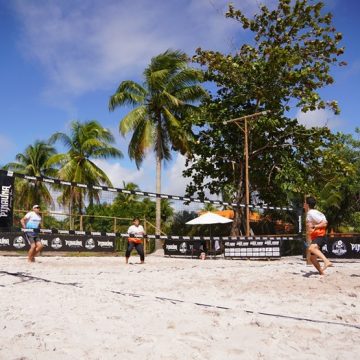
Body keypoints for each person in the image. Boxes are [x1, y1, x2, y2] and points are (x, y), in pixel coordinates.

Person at [304, 196, 333, 275]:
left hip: (320, 235)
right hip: (317, 236)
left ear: (307, 204)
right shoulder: (314, 212)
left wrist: (314, 227)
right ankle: (322, 273)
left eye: (305, 202)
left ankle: (326, 261)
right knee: (312, 258)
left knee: (311, 248)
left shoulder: (311, 213)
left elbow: (325, 223)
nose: (304, 204)